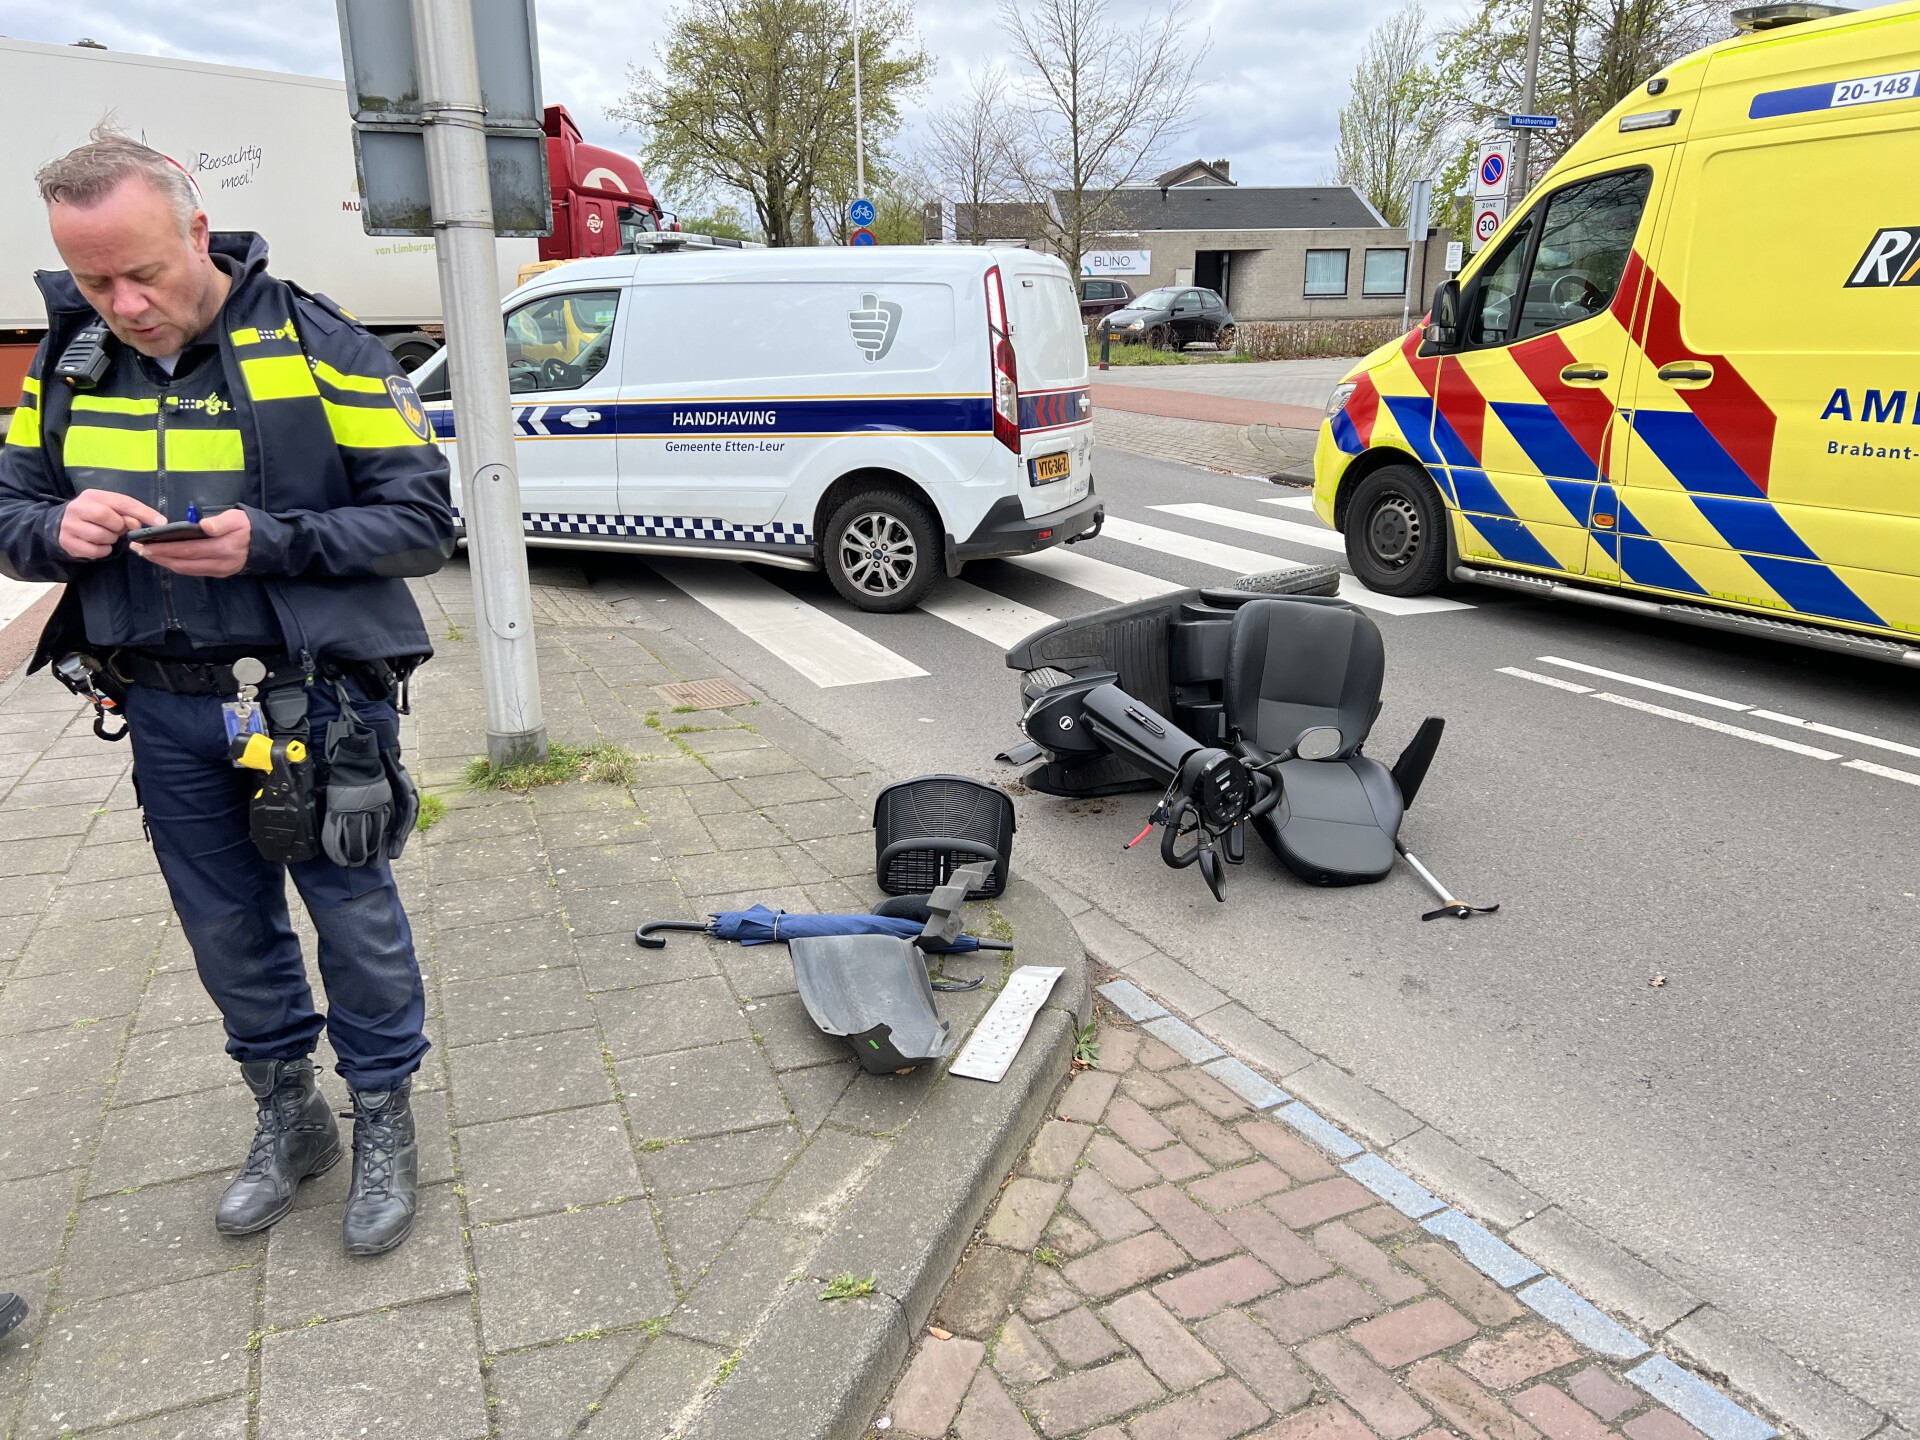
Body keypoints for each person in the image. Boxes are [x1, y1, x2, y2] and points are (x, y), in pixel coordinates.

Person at [0, 129, 456, 1256]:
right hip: (159, 703)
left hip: (313, 704)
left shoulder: (321, 348)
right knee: (223, 931)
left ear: (197, 231)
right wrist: (56, 528)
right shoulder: (65, 366)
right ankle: (289, 1116)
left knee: (354, 917)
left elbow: (421, 522)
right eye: (95, 279)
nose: (124, 303)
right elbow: (8, 517)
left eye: (143, 271)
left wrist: (274, 543)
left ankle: (385, 1118)